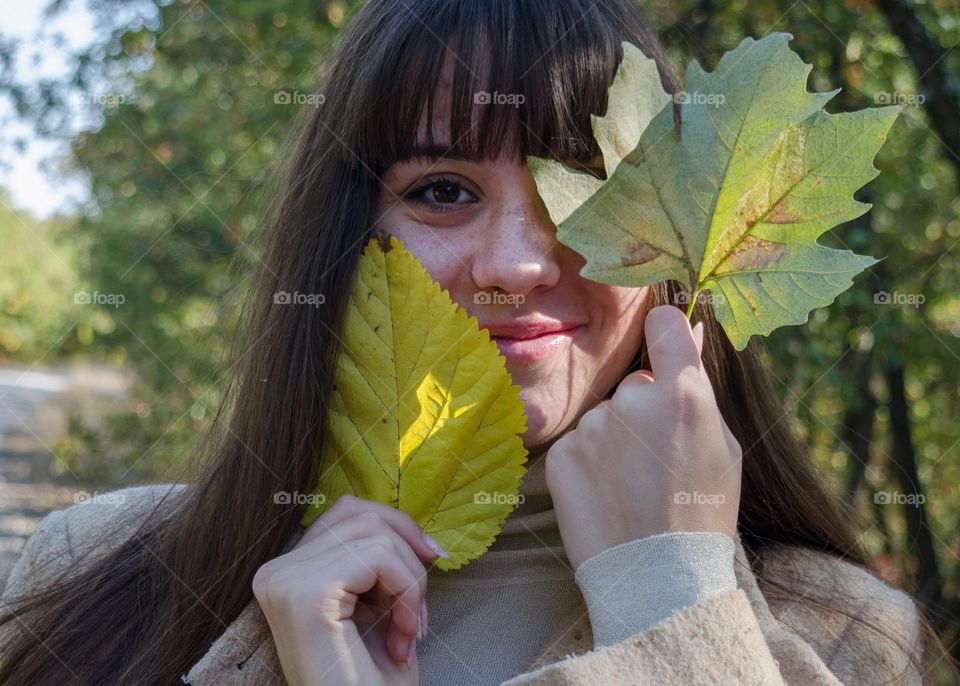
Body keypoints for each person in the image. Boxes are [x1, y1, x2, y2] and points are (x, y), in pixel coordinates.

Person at [0, 0, 941, 684]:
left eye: (596, 193)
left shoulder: (850, 639)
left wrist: (672, 602)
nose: (521, 266)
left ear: (686, 239)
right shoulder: (95, 572)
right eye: (443, 189)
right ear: (348, 237)